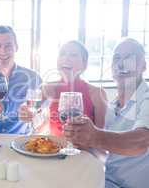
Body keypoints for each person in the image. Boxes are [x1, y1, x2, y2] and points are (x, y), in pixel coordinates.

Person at [64, 38, 149, 188]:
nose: (122, 64)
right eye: (117, 58)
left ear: (144, 65)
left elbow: (142, 141)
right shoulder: (113, 105)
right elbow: (106, 154)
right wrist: (84, 142)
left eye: (130, 57)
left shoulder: (146, 98)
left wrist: (94, 136)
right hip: (107, 181)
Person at [19, 40, 107, 136]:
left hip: (83, 149)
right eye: (62, 54)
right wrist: (24, 110)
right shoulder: (48, 87)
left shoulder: (97, 93)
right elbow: (30, 106)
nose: (66, 58)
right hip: (53, 148)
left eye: (73, 55)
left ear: (84, 63)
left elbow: (100, 135)